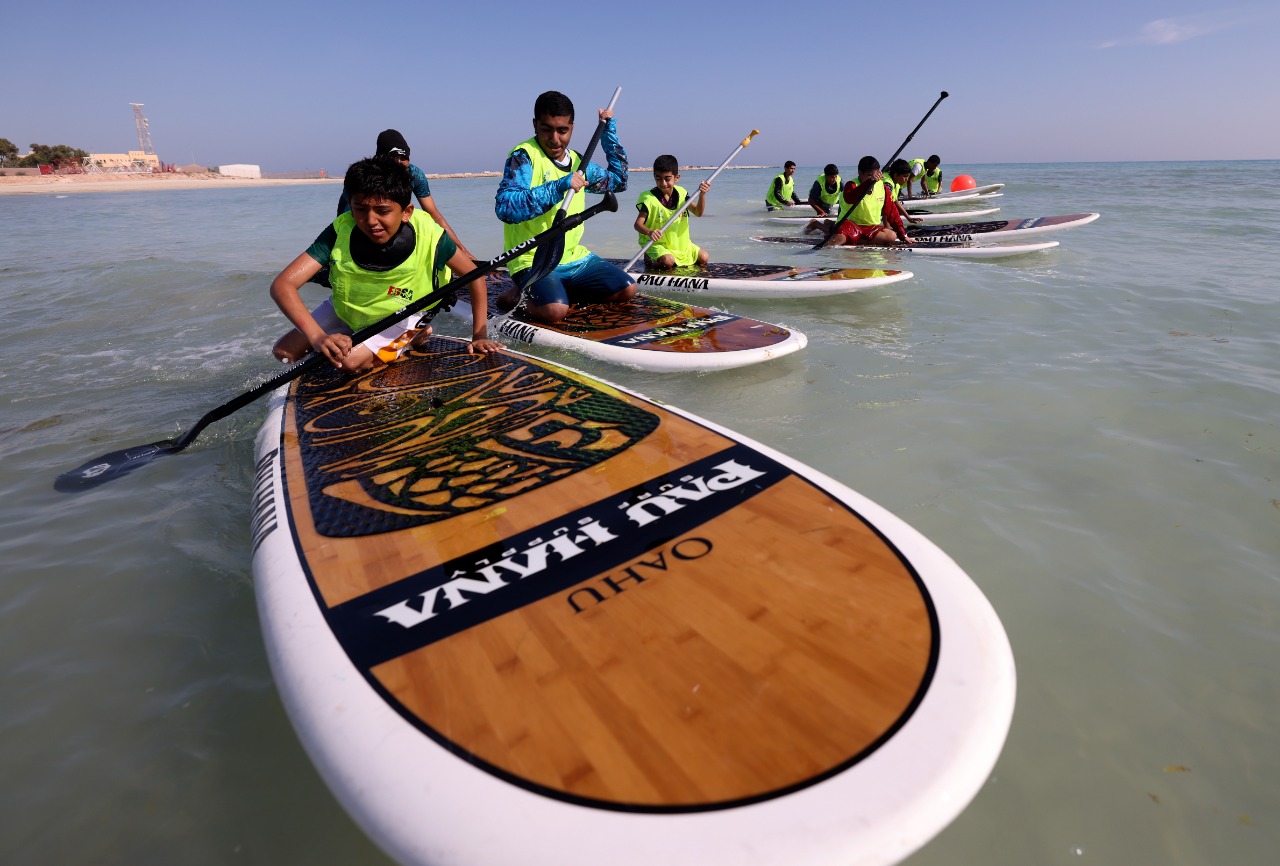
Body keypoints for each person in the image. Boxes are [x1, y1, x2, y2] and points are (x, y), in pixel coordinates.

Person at [271, 155, 502, 375]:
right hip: (352, 308)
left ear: (406, 212)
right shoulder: (341, 229)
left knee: (347, 363)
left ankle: (415, 335)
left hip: (404, 313)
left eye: (382, 211)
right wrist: (318, 338)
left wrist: (479, 335)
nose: (371, 221)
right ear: (350, 205)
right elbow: (283, 285)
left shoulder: (431, 236)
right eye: (360, 209)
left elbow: (474, 276)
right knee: (284, 353)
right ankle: (355, 335)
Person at [494, 90, 634, 324]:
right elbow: (505, 208)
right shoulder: (523, 157)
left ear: (572, 128)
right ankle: (516, 295)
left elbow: (619, 181)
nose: (554, 139)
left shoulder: (580, 163)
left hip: (573, 257)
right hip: (533, 261)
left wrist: (608, 133)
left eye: (562, 130)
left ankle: (556, 292)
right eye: (546, 129)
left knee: (627, 289)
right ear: (535, 125)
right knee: (555, 312)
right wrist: (558, 186)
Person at [337, 129, 475, 260]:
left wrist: (462, 250)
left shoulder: (414, 175)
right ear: (380, 159)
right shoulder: (362, 177)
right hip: (356, 220)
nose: (399, 163)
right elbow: (348, 218)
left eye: (403, 158)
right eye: (393, 157)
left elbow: (434, 214)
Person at [803, 155, 914, 248]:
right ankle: (830, 236)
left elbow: (892, 213)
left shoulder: (882, 187)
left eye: (875, 176)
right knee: (839, 238)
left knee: (892, 236)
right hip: (851, 225)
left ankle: (849, 237)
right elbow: (850, 198)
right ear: (860, 173)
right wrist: (869, 182)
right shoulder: (851, 184)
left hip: (871, 227)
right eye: (869, 176)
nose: (874, 179)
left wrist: (903, 235)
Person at [633, 154, 712, 270]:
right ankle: (649, 259)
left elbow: (698, 213)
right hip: (657, 244)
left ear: (676, 178)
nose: (663, 183)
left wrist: (702, 195)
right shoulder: (649, 199)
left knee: (704, 257)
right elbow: (637, 224)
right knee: (668, 261)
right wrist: (649, 232)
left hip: (681, 245)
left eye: (667, 178)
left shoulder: (682, 193)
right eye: (658, 178)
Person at [885, 159, 923, 226]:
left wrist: (908, 218)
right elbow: (886, 210)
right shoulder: (887, 184)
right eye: (905, 176)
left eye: (908, 176)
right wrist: (888, 230)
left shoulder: (896, 184)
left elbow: (895, 201)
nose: (907, 179)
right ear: (896, 175)